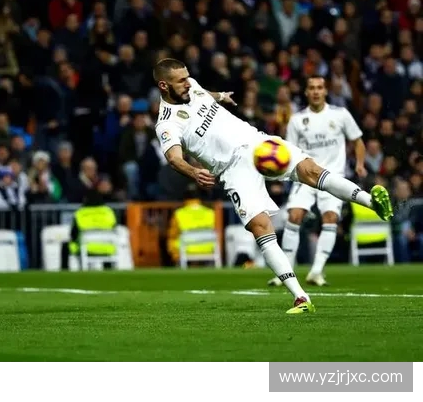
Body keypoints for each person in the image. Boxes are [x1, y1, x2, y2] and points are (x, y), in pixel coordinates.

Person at [152, 58, 393, 314]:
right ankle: (301, 297)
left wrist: (220, 96)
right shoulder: (167, 123)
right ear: (164, 86)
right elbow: (174, 158)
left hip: (257, 143)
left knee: (311, 170)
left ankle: (372, 202)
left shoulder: (192, 86)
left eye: (188, 77)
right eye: (181, 81)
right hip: (232, 169)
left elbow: (203, 93)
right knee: (260, 227)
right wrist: (194, 172)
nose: (188, 83)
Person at [268, 76, 367, 288]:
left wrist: (359, 164)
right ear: (306, 92)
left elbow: (358, 140)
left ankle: (316, 271)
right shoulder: (297, 120)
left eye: (320, 88)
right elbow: (290, 151)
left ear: (325, 91)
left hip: (333, 177)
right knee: (294, 216)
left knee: (330, 218)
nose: (315, 91)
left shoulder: (340, 114)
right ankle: (284, 272)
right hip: (305, 176)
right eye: (312, 88)